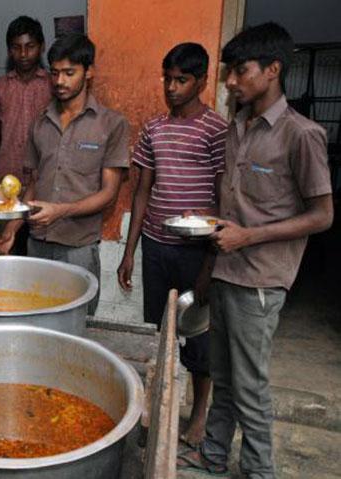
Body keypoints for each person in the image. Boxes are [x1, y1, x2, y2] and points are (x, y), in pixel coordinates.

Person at [177, 23, 333, 478]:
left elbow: (323, 215)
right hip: (225, 271)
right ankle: (212, 456)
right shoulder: (238, 128)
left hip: (260, 280)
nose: (229, 81)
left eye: (239, 71)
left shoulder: (301, 134)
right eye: (228, 72)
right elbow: (236, 204)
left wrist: (249, 236)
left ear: (272, 70)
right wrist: (204, 219)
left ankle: (260, 471)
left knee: (250, 387)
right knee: (223, 379)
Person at [117, 43, 228, 447]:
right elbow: (143, 190)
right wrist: (130, 250)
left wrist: (209, 266)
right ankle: (158, 410)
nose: (172, 87)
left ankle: (197, 416)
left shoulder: (216, 130)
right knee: (159, 332)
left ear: (201, 81)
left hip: (198, 252)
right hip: (157, 246)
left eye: (181, 80)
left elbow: (223, 198)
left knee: (198, 335)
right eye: (167, 79)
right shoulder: (153, 128)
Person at [0, 33, 130, 315]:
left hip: (78, 247)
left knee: (78, 323)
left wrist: (61, 210)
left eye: (70, 73)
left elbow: (108, 194)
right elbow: (33, 184)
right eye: (55, 73)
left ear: (88, 72)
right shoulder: (41, 122)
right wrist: (11, 230)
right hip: (38, 242)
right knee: (36, 317)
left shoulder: (111, 124)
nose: (60, 81)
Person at [0, 16, 52, 255]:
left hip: (42, 182)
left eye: (30, 46)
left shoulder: (53, 86)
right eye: (16, 47)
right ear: (9, 49)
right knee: (4, 247)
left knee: (36, 249)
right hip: (5, 182)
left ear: (41, 46)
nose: (23, 54)